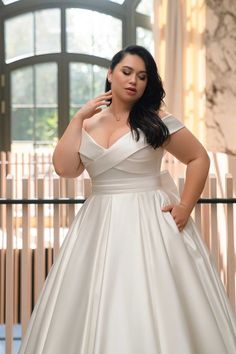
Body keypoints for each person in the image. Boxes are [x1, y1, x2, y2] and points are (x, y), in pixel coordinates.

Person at [19, 45, 236, 353]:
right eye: (127, 72)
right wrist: (79, 117)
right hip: (98, 223)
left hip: (151, 220)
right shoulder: (88, 124)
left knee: (153, 302)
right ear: (110, 74)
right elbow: (65, 168)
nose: (134, 80)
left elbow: (198, 157)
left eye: (143, 76)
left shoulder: (158, 120)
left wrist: (186, 206)